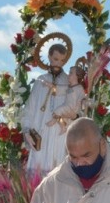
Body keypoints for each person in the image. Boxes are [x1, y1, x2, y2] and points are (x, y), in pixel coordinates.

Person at [21, 42, 72, 174]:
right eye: (55, 59)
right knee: (38, 177)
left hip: (60, 136)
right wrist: (27, 131)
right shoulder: (40, 81)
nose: (58, 64)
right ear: (49, 57)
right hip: (41, 134)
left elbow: (73, 108)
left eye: (62, 60)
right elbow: (29, 109)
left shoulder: (69, 82)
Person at [47, 65, 86, 134]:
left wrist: (81, 106)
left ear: (77, 76)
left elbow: (82, 99)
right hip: (66, 106)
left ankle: (54, 121)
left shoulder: (79, 88)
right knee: (60, 115)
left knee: (57, 111)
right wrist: (51, 86)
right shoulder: (69, 87)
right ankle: (63, 127)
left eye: (71, 73)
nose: (68, 75)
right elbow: (59, 89)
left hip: (73, 108)